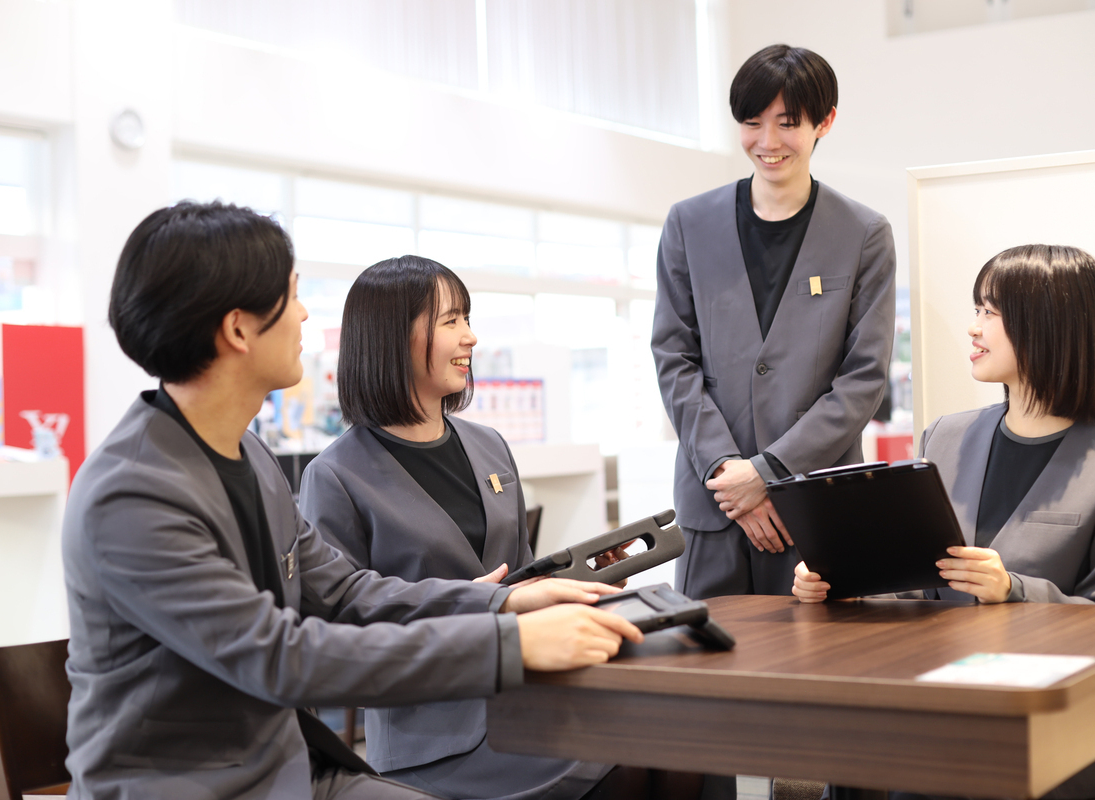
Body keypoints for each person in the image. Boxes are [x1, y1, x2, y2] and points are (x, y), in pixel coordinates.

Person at [62, 202, 643, 800]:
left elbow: (345, 593)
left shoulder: (249, 455)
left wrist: (504, 601)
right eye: (291, 297)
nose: (304, 314)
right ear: (238, 330)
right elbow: (280, 655)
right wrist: (507, 645)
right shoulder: (131, 494)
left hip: (286, 770)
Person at [299, 255, 702, 800]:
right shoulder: (335, 475)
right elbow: (341, 623)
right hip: (436, 733)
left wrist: (580, 575)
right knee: (621, 764)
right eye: (451, 320)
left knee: (685, 740)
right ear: (392, 336)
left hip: (530, 689)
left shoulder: (487, 445)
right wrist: (478, 604)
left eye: (467, 318)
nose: (470, 336)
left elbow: (519, 578)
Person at [794, 244, 1095, 799]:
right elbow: (915, 585)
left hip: (1055, 736)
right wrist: (843, 583)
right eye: (977, 309)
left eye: (990, 312)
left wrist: (1014, 589)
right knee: (854, 762)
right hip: (939, 715)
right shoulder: (945, 436)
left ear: (1047, 324)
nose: (973, 327)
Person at [651, 44, 896, 603]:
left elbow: (863, 379)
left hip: (813, 502)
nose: (767, 141)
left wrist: (768, 472)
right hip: (714, 502)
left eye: (787, 123)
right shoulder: (689, 224)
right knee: (709, 648)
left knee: (818, 652)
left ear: (824, 122)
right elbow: (674, 358)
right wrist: (729, 472)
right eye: (751, 122)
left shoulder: (863, 233)